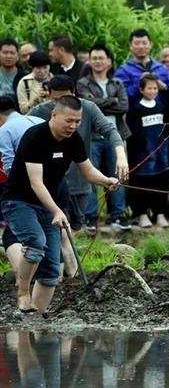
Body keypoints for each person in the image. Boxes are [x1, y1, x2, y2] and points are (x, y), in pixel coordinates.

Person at [2, 95, 119, 313]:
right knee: (36, 242)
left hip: (48, 204)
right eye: (69, 121)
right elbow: (36, 183)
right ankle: (23, 293)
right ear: (54, 115)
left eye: (77, 121)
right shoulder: (35, 137)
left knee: (51, 271)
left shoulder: (73, 140)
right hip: (19, 200)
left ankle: (34, 319)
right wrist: (57, 210)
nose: (73, 126)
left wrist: (106, 180)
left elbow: (88, 171)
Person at [26, 75, 127, 233]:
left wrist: (120, 155)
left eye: (66, 97)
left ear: (74, 92)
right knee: (55, 226)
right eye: (56, 99)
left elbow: (110, 130)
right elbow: (23, 134)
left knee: (75, 226)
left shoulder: (88, 108)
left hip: (79, 178)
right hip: (50, 182)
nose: (62, 103)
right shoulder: (39, 111)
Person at [76, 44, 131, 231]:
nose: (98, 61)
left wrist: (101, 103)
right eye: (94, 58)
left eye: (102, 58)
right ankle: (91, 217)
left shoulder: (117, 83)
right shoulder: (83, 83)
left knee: (117, 175)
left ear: (109, 61)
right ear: (89, 61)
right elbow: (88, 105)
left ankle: (118, 216)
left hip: (115, 136)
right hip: (92, 136)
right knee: (91, 175)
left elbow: (124, 107)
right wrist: (112, 101)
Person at [0, 96, 45, 276]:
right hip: (52, 185)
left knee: (12, 235)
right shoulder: (40, 121)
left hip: (26, 189)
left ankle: (23, 276)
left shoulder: (5, 130)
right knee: (53, 231)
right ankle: (64, 275)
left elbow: (10, 169)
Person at [126, 74, 169, 228]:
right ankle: (142, 214)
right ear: (141, 90)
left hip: (160, 154)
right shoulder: (136, 110)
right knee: (142, 183)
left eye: (155, 88)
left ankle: (160, 213)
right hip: (142, 155)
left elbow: (166, 128)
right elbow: (132, 134)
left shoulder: (161, 107)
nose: (152, 91)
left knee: (161, 182)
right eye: (149, 88)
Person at [115, 28, 169, 108]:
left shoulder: (162, 68)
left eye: (144, 43)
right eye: (137, 43)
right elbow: (122, 96)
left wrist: (164, 86)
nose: (141, 47)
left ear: (150, 44)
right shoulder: (123, 71)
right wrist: (140, 83)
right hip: (135, 116)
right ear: (130, 46)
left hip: (162, 115)